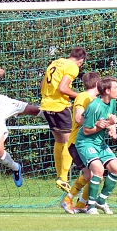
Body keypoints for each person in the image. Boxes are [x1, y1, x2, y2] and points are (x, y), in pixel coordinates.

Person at [40, 47, 87, 193]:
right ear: (81, 61)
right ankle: (63, 178)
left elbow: (42, 85)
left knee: (59, 141)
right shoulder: (72, 67)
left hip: (46, 105)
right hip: (59, 107)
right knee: (68, 141)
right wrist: (79, 96)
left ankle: (60, 176)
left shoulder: (55, 62)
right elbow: (62, 88)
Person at [75, 77, 117, 215]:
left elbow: (110, 119)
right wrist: (105, 125)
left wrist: (112, 128)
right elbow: (86, 130)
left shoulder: (112, 102)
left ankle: (101, 201)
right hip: (86, 142)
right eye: (116, 88)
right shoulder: (94, 106)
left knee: (116, 169)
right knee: (98, 170)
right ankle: (90, 207)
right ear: (107, 90)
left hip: (100, 143)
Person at [59, 71, 100, 214]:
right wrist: (96, 124)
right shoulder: (84, 96)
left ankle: (82, 203)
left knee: (95, 174)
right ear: (96, 84)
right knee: (92, 174)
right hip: (77, 142)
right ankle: (69, 200)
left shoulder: (95, 99)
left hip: (87, 142)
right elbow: (78, 118)